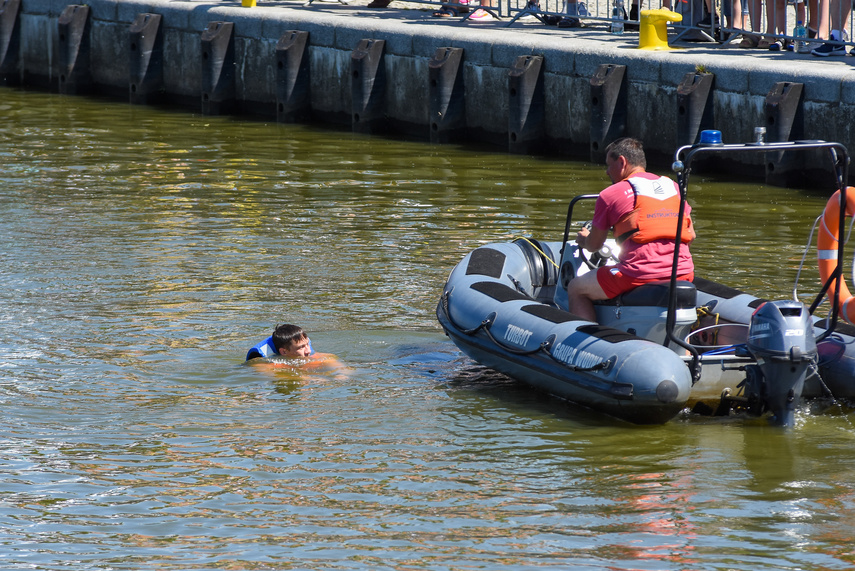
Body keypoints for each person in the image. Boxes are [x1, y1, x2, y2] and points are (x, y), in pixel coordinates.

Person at [566, 137, 695, 322]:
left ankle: (586, 342)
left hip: (638, 273)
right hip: (683, 271)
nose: (607, 171)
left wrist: (584, 239)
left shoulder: (610, 194)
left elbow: (594, 246)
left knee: (576, 288)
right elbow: (692, 234)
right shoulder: (673, 187)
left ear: (622, 162)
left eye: (609, 165)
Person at [246, 323, 343, 370]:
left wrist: (341, 374)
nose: (308, 351)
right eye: (301, 347)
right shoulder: (261, 365)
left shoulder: (311, 355)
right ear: (284, 352)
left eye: (307, 344)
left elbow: (332, 361)